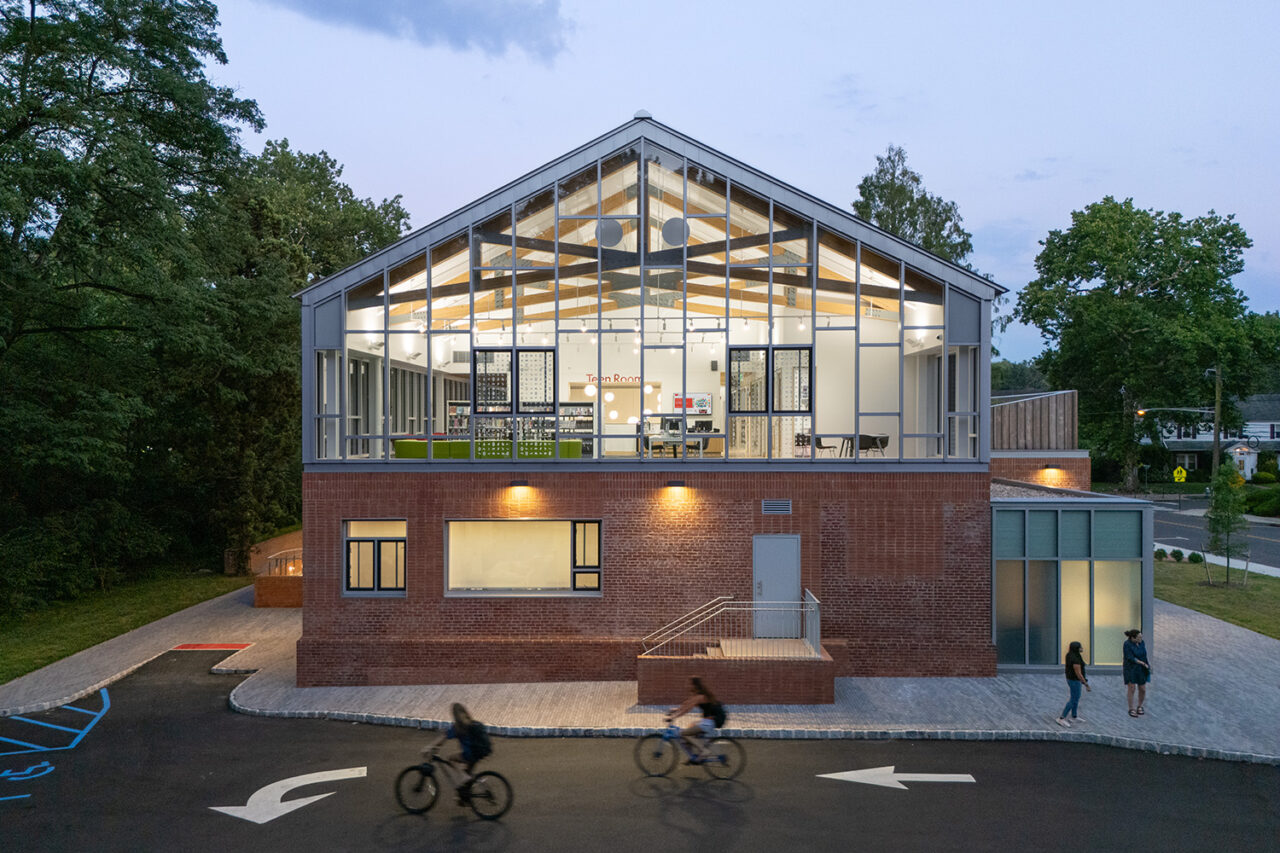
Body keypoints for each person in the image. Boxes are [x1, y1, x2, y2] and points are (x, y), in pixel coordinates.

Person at [424, 703, 490, 801]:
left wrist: (429, 747)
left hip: (470, 754)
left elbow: (443, 738)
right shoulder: (472, 723)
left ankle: (464, 777)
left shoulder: (457, 727)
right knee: (468, 775)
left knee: (451, 759)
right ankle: (464, 798)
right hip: (480, 752)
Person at [666, 677, 726, 763]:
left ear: (694, 685)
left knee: (683, 734)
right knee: (686, 735)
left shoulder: (700, 697)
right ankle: (692, 757)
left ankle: (704, 751)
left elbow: (687, 709)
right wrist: (675, 710)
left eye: (689, 684)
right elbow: (686, 704)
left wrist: (674, 717)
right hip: (706, 722)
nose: (687, 686)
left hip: (708, 723)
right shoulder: (697, 695)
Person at [1055, 641, 1091, 727]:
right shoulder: (1075, 659)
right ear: (1076, 648)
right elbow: (1078, 673)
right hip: (1075, 681)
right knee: (1074, 699)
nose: (1082, 648)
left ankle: (1074, 716)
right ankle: (1061, 718)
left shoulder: (1070, 655)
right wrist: (1086, 684)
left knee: (1076, 698)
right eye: (1080, 647)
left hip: (1072, 679)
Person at [1123, 629, 1151, 717]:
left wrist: (1147, 665)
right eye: (1139, 637)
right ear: (1133, 638)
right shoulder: (1127, 644)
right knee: (1131, 688)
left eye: (1141, 637)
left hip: (1141, 668)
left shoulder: (1142, 643)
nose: (1141, 639)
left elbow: (1144, 655)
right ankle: (1131, 708)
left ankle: (1140, 706)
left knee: (1142, 689)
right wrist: (1142, 663)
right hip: (1131, 668)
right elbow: (1130, 657)